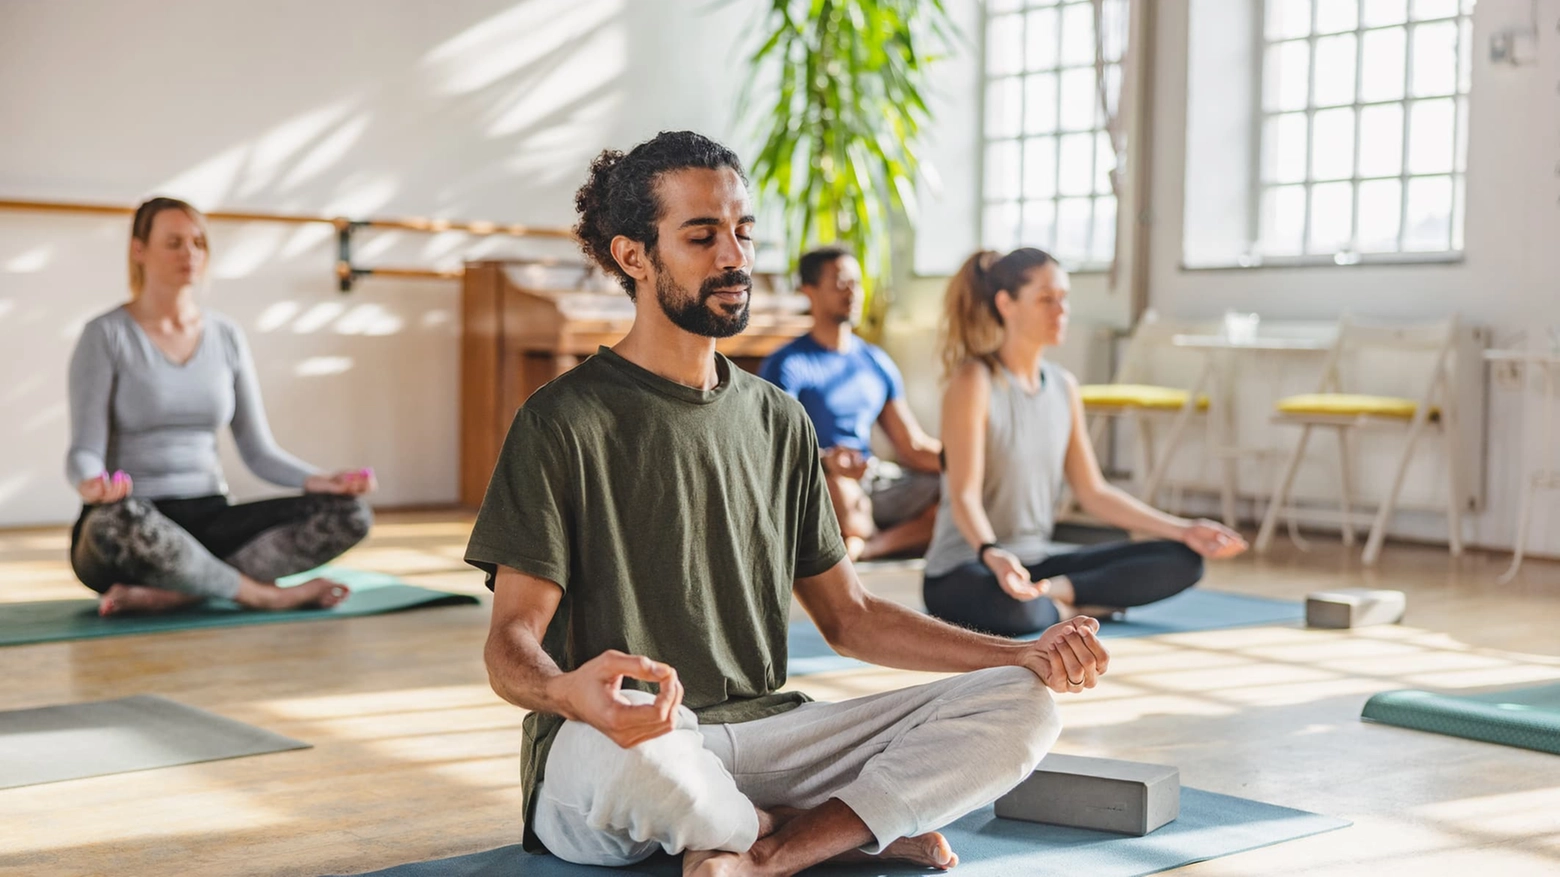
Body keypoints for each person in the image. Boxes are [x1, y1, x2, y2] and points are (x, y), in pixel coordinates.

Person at [468, 132, 1110, 877]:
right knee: (645, 761)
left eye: (743, 232)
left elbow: (851, 618)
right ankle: (829, 824)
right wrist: (567, 690)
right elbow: (509, 642)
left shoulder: (779, 419)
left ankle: (772, 850)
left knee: (1027, 706)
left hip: (769, 733)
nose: (735, 257)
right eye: (703, 235)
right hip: (625, 740)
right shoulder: (561, 421)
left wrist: (1022, 653)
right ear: (633, 256)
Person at [66, 197, 376, 616]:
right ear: (139, 250)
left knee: (350, 514)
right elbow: (84, 449)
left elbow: (258, 452)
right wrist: (92, 483)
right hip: (133, 525)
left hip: (209, 518)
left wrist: (322, 481)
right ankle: (264, 595)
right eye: (174, 242)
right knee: (112, 521)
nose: (190, 253)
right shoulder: (105, 335)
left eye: (198, 242)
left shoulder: (226, 335)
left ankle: (182, 591)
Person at [922, 248, 1248, 637]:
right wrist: (992, 553)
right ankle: (1074, 604)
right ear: (1006, 304)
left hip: (1035, 563)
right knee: (1012, 610)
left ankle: (1057, 598)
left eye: (1064, 299)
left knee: (1183, 559)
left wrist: (1182, 529)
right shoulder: (973, 382)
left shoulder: (1063, 387)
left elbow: (1093, 492)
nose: (1060, 311)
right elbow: (964, 496)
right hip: (969, 566)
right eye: (1046, 300)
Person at [759, 247, 941, 561]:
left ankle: (869, 546)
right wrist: (828, 461)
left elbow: (911, 445)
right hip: (823, 477)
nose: (853, 291)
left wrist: (969, 463)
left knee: (957, 490)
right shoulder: (787, 363)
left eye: (856, 282)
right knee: (840, 487)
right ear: (809, 291)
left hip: (872, 478)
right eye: (841, 282)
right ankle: (856, 537)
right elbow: (778, 443)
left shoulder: (876, 361)